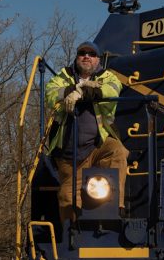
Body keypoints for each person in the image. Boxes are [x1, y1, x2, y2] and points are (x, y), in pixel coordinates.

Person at [45, 41, 128, 221]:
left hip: (98, 144)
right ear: (76, 57)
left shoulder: (107, 76)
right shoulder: (64, 75)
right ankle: (72, 234)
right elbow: (51, 93)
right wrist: (73, 89)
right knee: (67, 197)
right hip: (69, 151)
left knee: (117, 151)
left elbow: (112, 90)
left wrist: (82, 93)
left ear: (98, 59)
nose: (86, 56)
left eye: (91, 54)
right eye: (82, 53)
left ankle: (117, 204)